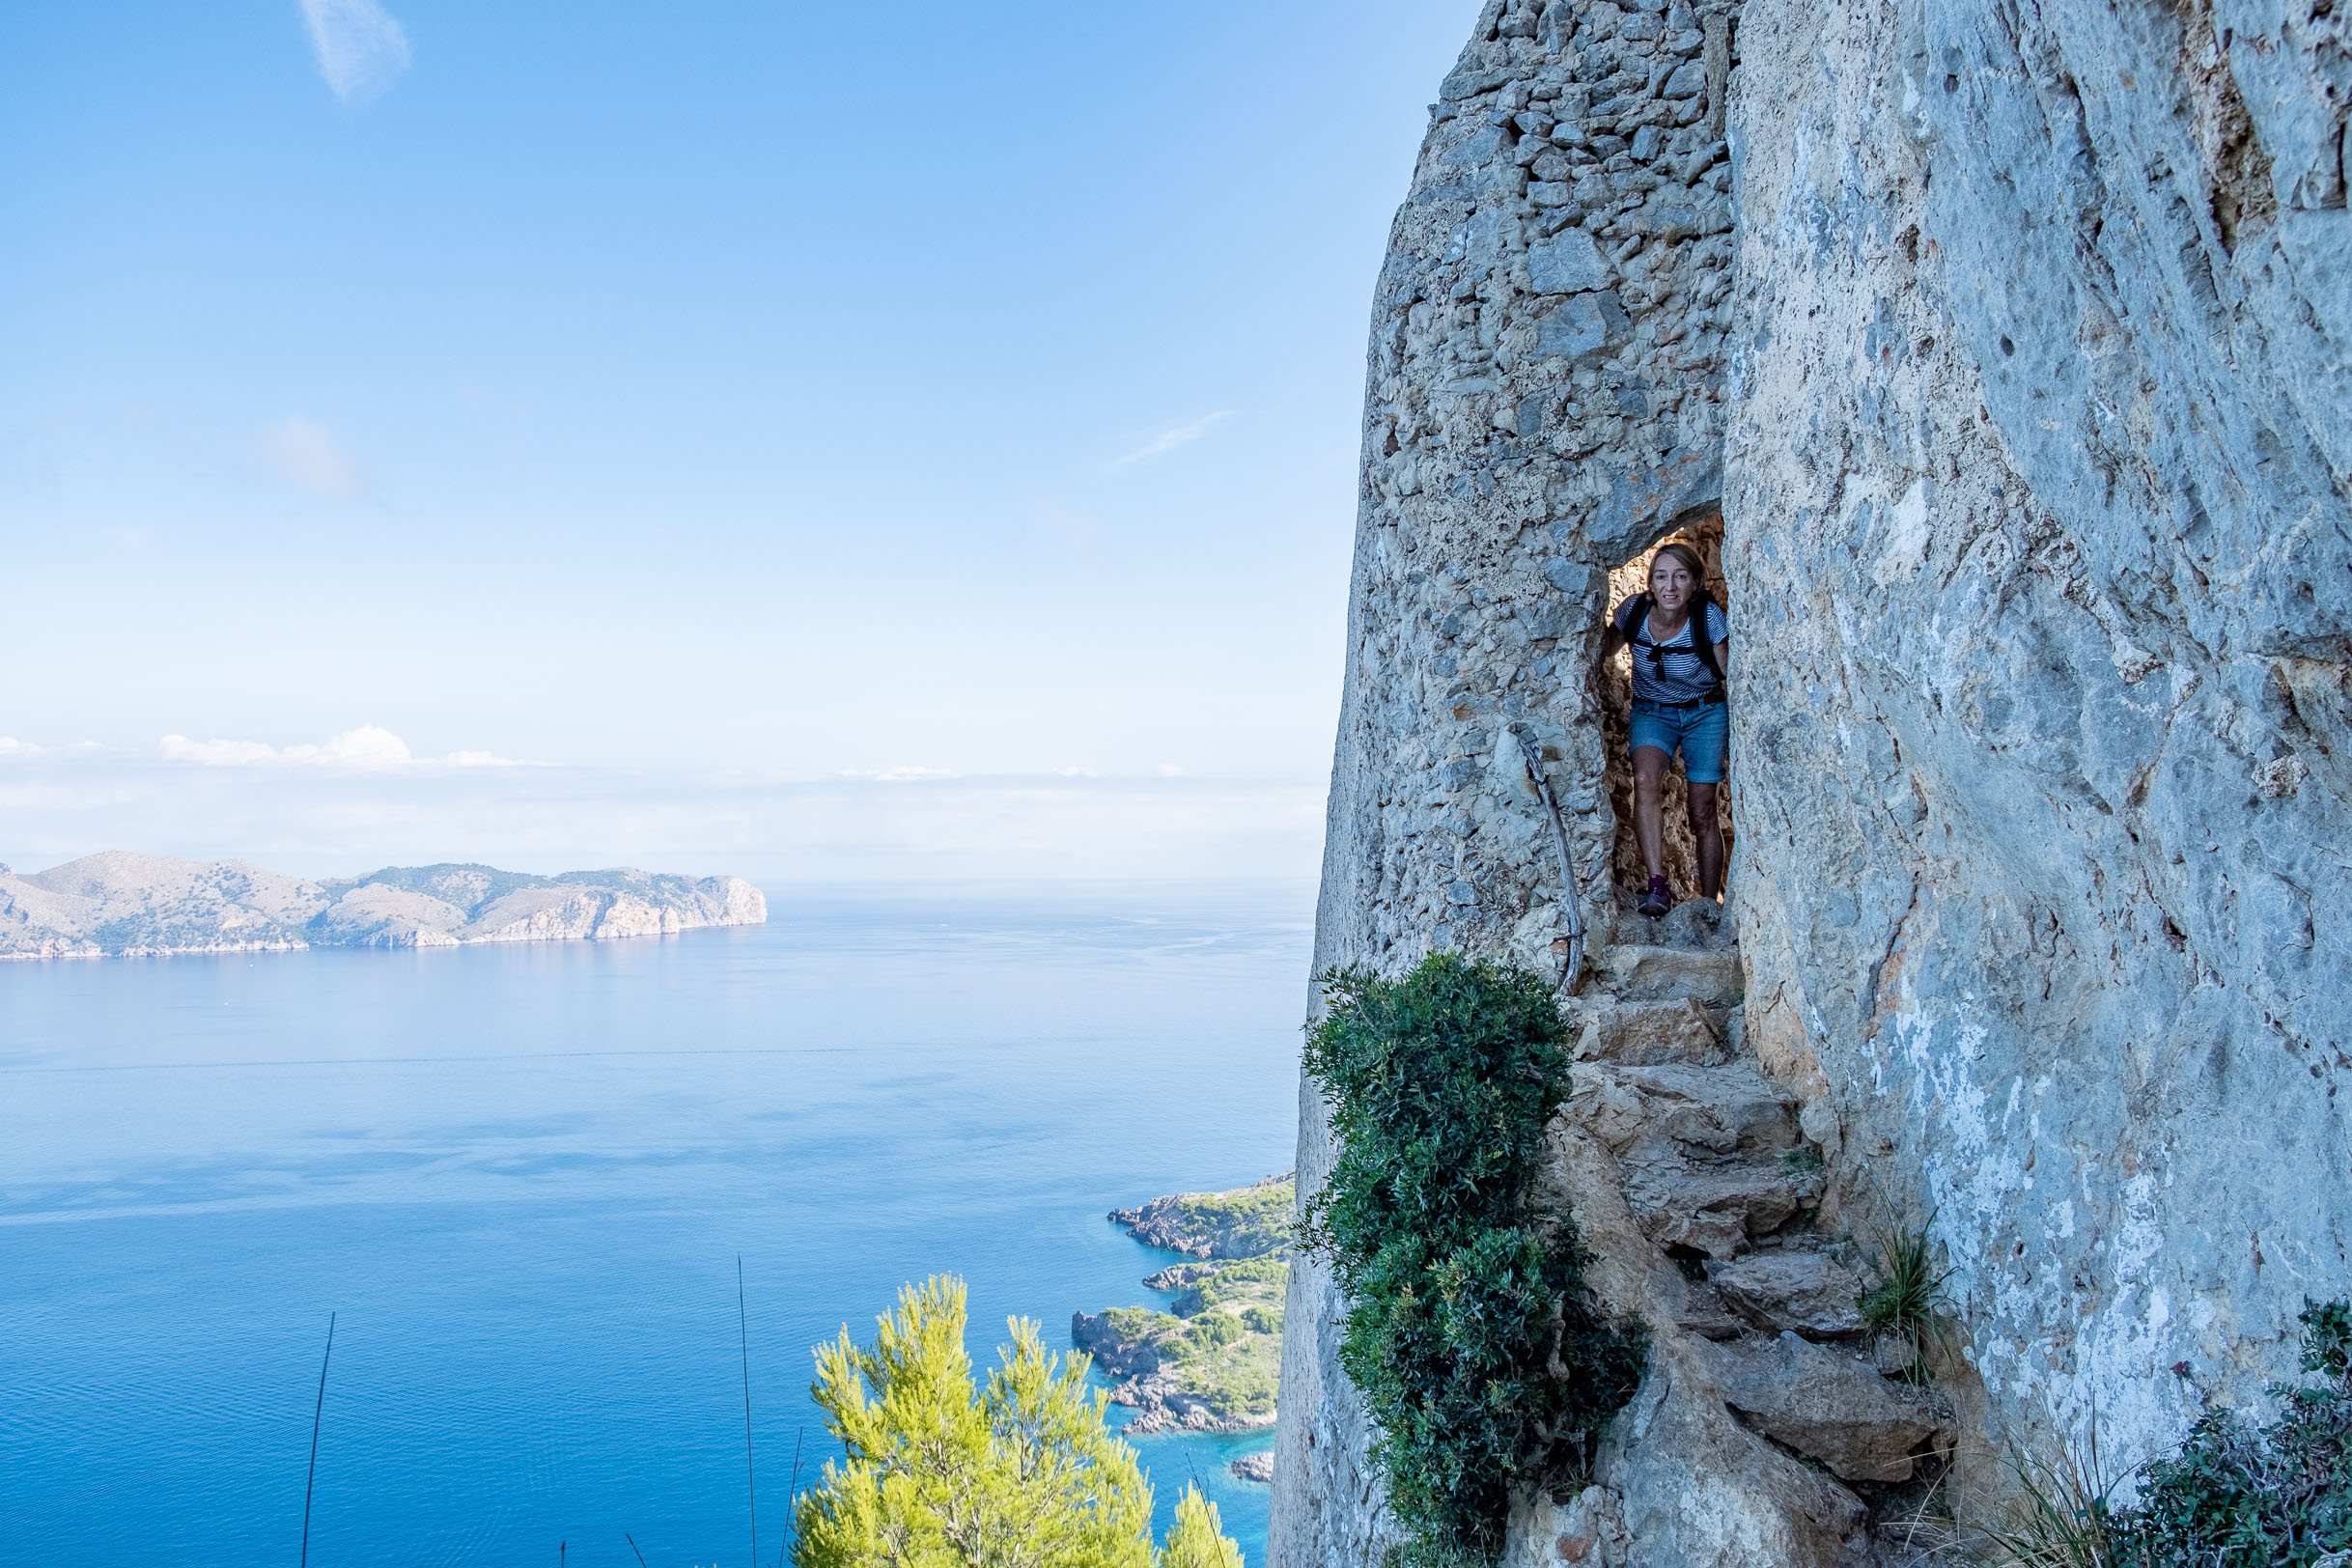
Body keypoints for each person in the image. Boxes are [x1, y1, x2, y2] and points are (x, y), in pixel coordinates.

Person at [1600, 541, 1729, 917]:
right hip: (1652, 711)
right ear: (1650, 584)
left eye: (1680, 576)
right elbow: (1604, 647)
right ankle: (1658, 886)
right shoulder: (1634, 612)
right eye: (1661, 577)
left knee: (1702, 808)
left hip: (1704, 712)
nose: (1670, 586)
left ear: (1695, 584)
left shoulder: (1708, 618)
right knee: (1644, 779)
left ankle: (1708, 903)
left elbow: (1730, 674)